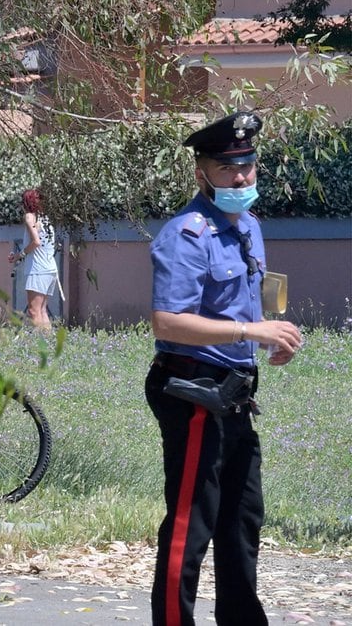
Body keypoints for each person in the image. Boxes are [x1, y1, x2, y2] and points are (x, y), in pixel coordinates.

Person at [144, 111, 303, 626]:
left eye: (248, 165)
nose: (241, 177)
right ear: (201, 173)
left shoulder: (250, 226)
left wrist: (269, 338)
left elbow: (243, 303)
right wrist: (249, 333)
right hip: (193, 388)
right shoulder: (185, 235)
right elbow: (167, 321)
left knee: (241, 520)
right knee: (193, 524)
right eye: (227, 167)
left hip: (236, 389)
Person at [7, 189, 58, 330]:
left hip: (38, 270)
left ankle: (40, 347)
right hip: (50, 269)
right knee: (42, 310)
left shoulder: (30, 217)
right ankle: (50, 346)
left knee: (34, 311)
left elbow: (36, 242)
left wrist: (19, 255)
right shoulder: (46, 219)